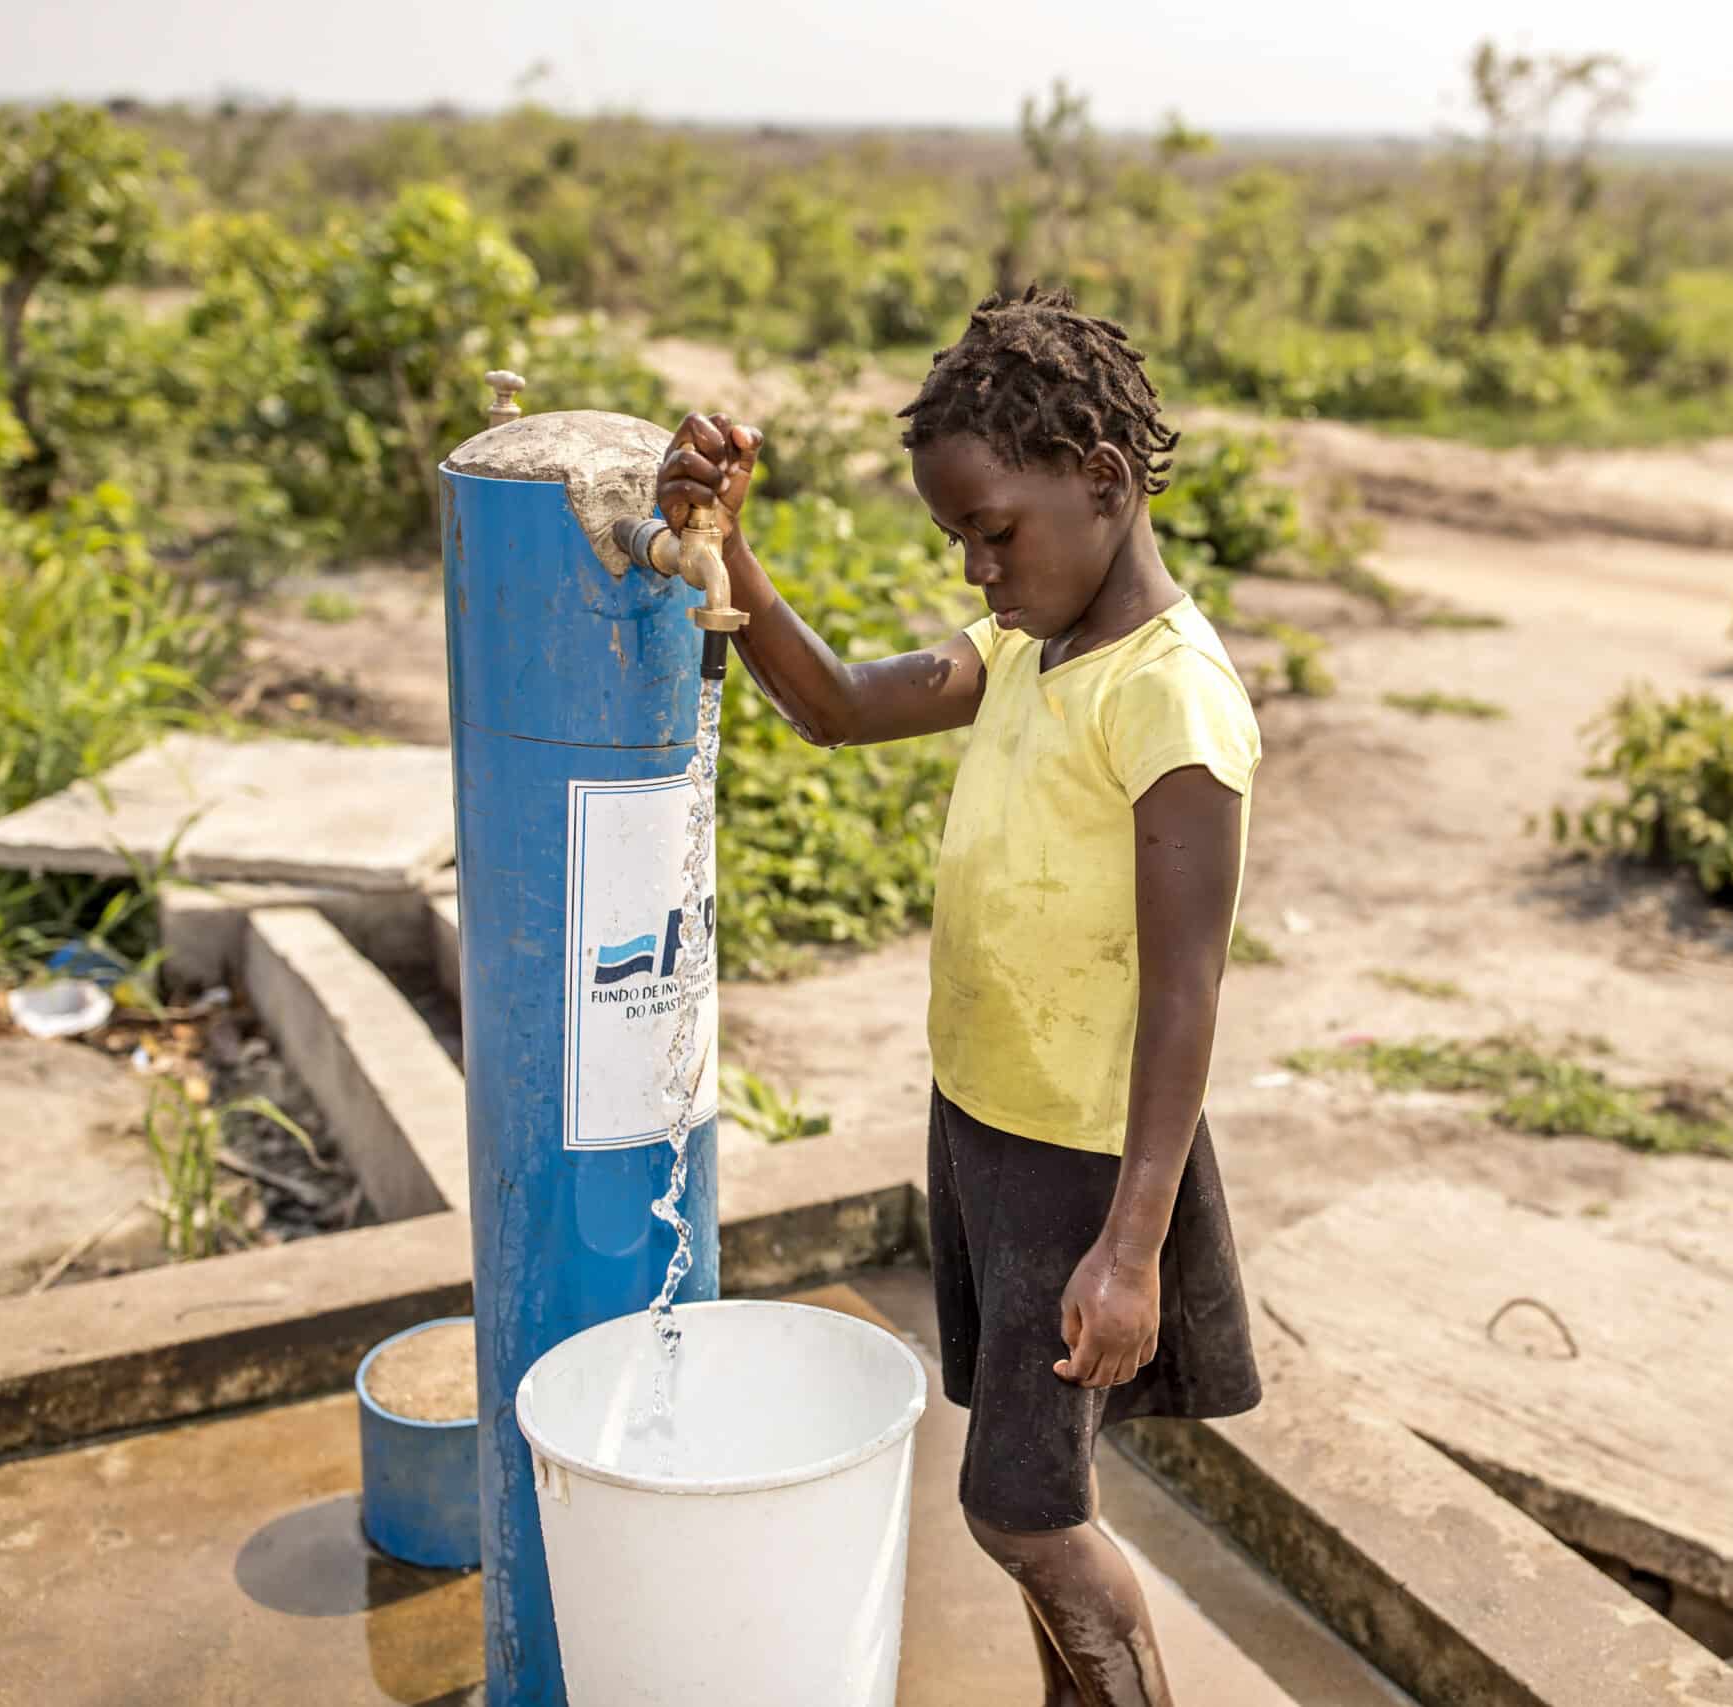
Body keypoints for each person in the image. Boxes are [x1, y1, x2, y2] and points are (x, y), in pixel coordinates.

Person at [655, 284, 1263, 1706]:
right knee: (1033, 1474)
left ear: (1105, 483)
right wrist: (726, 544)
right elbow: (837, 706)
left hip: (1087, 1162)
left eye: (998, 531)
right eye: (959, 540)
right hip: (985, 1126)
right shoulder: (1020, 656)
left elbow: (1187, 993)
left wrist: (1128, 1254)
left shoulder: (1170, 697)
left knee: (1022, 1514)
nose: (980, 569)